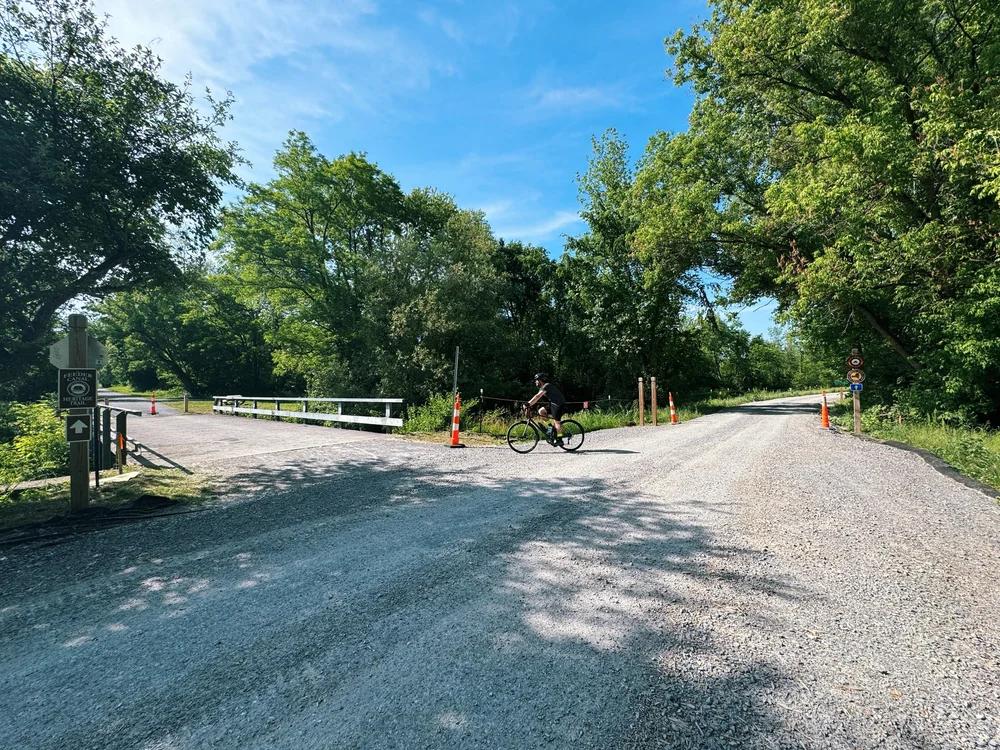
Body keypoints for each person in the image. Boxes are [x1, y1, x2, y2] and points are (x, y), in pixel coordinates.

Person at [527, 373, 567, 442]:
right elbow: (537, 398)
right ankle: (550, 427)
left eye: (536, 380)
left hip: (559, 404)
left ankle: (560, 439)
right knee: (541, 411)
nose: (535, 382)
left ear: (541, 380)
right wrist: (530, 405)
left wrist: (528, 404)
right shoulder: (542, 388)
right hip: (553, 404)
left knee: (556, 421)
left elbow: (537, 396)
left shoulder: (546, 386)